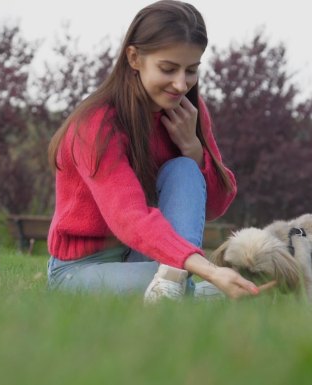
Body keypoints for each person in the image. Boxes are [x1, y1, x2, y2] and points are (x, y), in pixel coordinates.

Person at [46, 0, 272, 302]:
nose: (181, 84)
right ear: (134, 58)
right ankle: (207, 291)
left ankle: (175, 284)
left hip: (151, 257)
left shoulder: (187, 113)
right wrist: (211, 271)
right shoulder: (96, 126)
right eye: (168, 68)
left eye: (191, 70)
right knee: (179, 288)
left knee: (183, 169)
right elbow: (128, 216)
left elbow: (215, 207)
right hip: (79, 270)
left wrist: (193, 150)